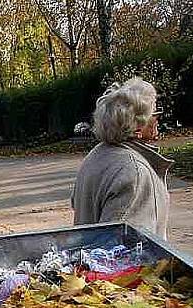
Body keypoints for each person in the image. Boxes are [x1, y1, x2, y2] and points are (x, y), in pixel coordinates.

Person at [71, 77, 174, 238]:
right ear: (138, 127)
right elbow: (125, 247)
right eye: (154, 113)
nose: (158, 118)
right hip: (107, 261)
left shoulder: (96, 155)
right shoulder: (134, 172)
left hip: (87, 255)